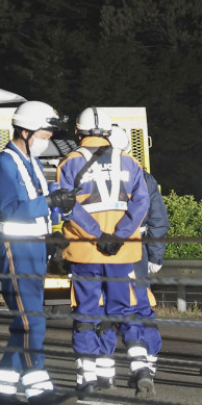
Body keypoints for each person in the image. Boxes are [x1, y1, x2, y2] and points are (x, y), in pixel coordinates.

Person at [0, 101, 77, 405]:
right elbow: (11, 209)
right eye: (44, 133)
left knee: (25, 323)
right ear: (25, 131)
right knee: (31, 322)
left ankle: (2, 393)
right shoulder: (3, 164)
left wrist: (54, 227)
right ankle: (40, 392)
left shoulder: (30, 163)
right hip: (14, 249)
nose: (47, 139)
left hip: (34, 249)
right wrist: (51, 202)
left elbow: (39, 203)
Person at [58, 108, 151, 398]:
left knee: (87, 312)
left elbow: (68, 206)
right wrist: (119, 235)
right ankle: (140, 369)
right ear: (107, 133)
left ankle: (88, 377)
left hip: (87, 251)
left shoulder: (70, 163)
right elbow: (142, 202)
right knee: (123, 310)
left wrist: (98, 236)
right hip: (122, 253)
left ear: (78, 132)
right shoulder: (129, 161)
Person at [102, 125, 166, 392]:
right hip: (137, 252)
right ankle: (146, 367)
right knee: (140, 307)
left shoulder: (93, 175)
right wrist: (155, 256)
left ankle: (102, 374)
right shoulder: (144, 177)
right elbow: (158, 221)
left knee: (102, 307)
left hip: (100, 251)